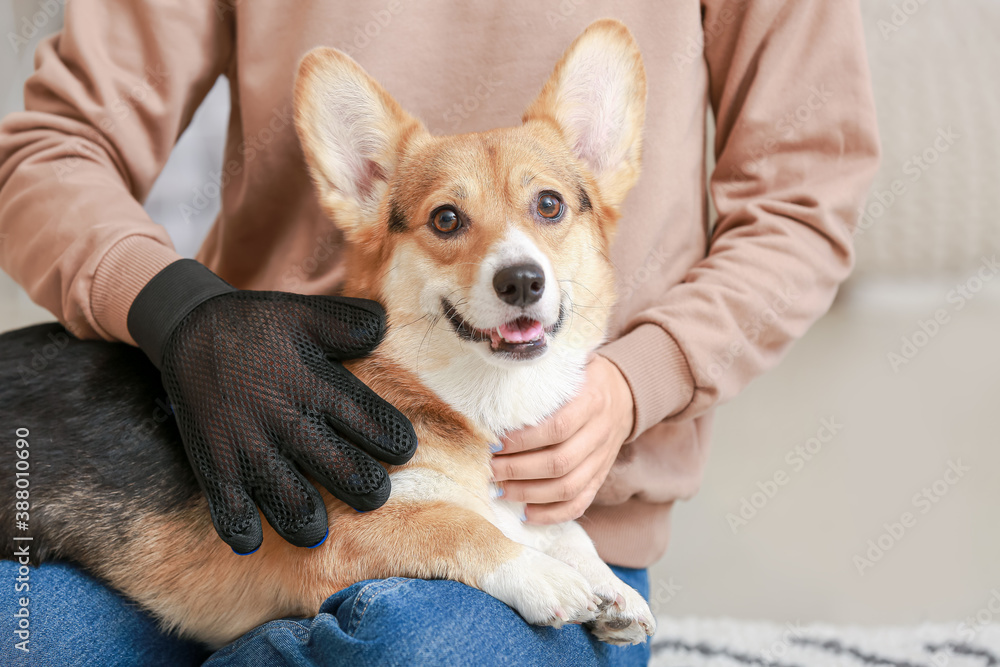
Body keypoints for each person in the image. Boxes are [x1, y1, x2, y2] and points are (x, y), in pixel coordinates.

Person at [0, 1, 879, 665]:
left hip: (554, 522)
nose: (513, 256)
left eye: (545, 208)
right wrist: (179, 309)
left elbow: (805, 201)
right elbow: (49, 148)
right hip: (230, 459)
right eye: (453, 220)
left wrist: (638, 381)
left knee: (411, 647)